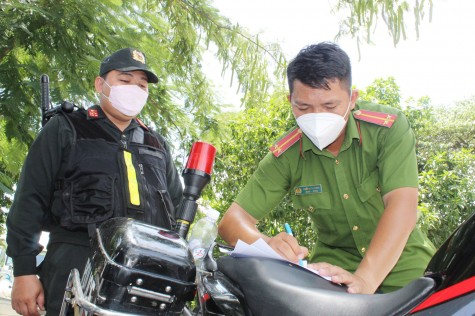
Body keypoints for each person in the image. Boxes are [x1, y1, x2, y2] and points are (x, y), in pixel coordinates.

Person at [218, 42, 435, 294]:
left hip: (410, 274)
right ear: (290, 101)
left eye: (330, 106)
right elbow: (231, 222)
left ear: (352, 99)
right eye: (304, 107)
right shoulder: (287, 155)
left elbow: (402, 206)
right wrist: (268, 245)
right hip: (333, 281)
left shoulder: (386, 129)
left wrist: (365, 280)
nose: (317, 116)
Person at [6, 48, 183, 315]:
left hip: (144, 277)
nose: (134, 89)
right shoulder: (67, 128)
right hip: (75, 266)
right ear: (101, 84)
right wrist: (24, 272)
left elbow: (177, 211)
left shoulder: (156, 144)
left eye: (142, 85)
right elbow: (30, 199)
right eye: (125, 80)